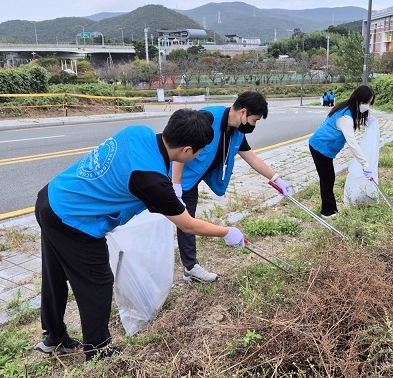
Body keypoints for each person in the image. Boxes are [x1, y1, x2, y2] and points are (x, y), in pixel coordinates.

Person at [33, 108, 246, 361]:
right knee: (97, 282)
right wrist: (227, 232)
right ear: (187, 151)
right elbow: (188, 225)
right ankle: (99, 351)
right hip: (72, 219)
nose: (199, 156)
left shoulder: (140, 132)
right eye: (199, 151)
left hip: (51, 197)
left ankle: (54, 338)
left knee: (55, 273)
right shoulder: (151, 180)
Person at [172, 91, 292, 283]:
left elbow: (252, 157)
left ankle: (190, 267)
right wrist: (175, 184)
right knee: (166, 220)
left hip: (191, 181)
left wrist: (276, 178)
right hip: (176, 177)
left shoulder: (236, 132)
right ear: (243, 112)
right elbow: (180, 147)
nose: (253, 125)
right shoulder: (207, 118)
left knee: (187, 221)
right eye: (254, 120)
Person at [308, 85, 375, 218]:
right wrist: (365, 164)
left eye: (369, 103)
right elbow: (352, 143)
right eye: (366, 102)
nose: (367, 106)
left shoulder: (349, 108)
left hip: (325, 147)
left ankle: (329, 209)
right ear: (358, 99)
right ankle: (328, 211)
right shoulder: (345, 116)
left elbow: (352, 124)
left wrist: (364, 121)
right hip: (320, 147)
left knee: (328, 178)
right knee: (327, 178)